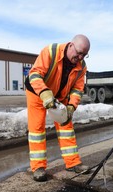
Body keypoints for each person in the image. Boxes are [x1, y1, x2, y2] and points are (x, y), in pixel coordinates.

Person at [25, 34, 90, 182]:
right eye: (79, 53)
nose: (80, 57)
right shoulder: (50, 51)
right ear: (71, 45)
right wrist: (44, 93)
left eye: (84, 55)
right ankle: (38, 167)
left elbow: (77, 89)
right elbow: (34, 74)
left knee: (66, 126)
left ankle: (73, 162)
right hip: (37, 92)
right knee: (37, 129)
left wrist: (71, 107)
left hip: (60, 95)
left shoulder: (82, 66)